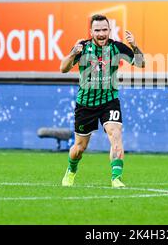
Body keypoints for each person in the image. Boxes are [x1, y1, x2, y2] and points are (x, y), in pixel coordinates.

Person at [59, 14, 145, 188]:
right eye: (97, 30)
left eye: (104, 30)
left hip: (109, 100)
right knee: (79, 148)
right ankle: (71, 170)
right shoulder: (82, 47)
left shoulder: (117, 47)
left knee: (116, 135)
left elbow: (141, 63)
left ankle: (116, 178)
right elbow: (63, 68)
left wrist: (135, 46)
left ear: (109, 30)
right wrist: (73, 53)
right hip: (86, 104)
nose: (101, 33)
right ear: (91, 32)